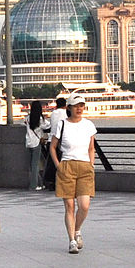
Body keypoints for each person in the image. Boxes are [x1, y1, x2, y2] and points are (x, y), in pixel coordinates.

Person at [52, 96, 98, 253]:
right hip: (67, 166)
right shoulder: (62, 124)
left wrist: (91, 164)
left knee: (84, 205)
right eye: (75, 106)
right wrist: (59, 166)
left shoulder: (88, 125)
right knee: (69, 206)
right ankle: (72, 239)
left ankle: (77, 230)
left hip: (85, 167)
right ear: (69, 108)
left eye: (81, 105)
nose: (79, 108)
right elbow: (53, 147)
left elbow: (92, 147)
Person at [43, 97, 68, 191]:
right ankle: (61, 182)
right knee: (63, 162)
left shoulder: (53, 113)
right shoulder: (66, 113)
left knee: (52, 163)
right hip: (61, 141)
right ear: (65, 105)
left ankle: (51, 182)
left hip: (51, 140)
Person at [24, 101, 47, 191]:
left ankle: (40, 183)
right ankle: (34, 185)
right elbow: (46, 126)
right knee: (35, 164)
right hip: (36, 143)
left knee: (31, 165)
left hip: (28, 142)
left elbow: (25, 124)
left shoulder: (27, 118)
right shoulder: (40, 119)